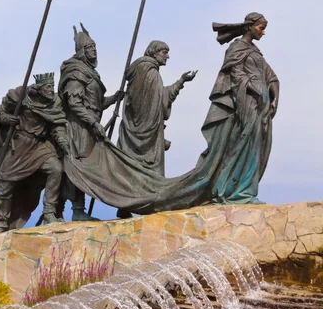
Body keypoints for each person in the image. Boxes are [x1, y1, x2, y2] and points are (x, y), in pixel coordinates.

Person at [192, 12, 279, 204]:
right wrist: (256, 88)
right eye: (261, 28)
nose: (263, 33)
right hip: (246, 102)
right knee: (244, 141)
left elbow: (270, 75)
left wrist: (274, 97)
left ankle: (245, 189)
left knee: (257, 145)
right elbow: (235, 75)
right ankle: (230, 189)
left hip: (262, 106)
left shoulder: (256, 52)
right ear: (250, 26)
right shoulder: (236, 48)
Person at [0, 72, 69, 233]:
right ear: (39, 88)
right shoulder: (21, 97)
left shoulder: (54, 104)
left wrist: (62, 140)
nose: (51, 90)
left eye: (52, 87)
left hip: (39, 146)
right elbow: (0, 112)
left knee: (55, 168)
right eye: (47, 87)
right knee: (6, 184)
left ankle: (49, 213)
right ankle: (1, 222)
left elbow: (57, 125)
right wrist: (7, 119)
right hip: (19, 145)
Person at [58, 23, 120, 220]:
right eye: (90, 47)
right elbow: (75, 104)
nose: (94, 50)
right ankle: (77, 211)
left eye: (95, 47)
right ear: (81, 51)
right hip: (79, 127)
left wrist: (114, 98)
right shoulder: (75, 71)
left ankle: (79, 210)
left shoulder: (91, 72)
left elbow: (97, 103)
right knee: (82, 165)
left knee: (89, 164)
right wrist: (93, 123)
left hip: (91, 124)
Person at [118, 40, 197, 179]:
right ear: (154, 52)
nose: (168, 57)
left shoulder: (145, 70)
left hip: (139, 126)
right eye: (165, 52)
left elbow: (159, 97)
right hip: (148, 130)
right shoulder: (150, 72)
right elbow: (157, 101)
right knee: (149, 176)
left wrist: (181, 81)